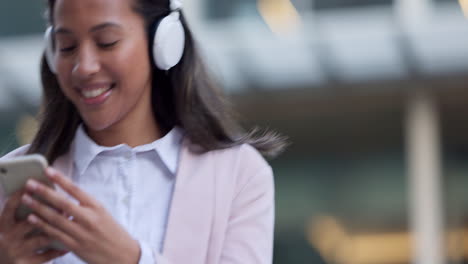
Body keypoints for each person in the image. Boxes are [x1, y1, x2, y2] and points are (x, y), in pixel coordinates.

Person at [0, 0, 287, 263]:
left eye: (106, 42)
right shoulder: (14, 186)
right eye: (67, 47)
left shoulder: (238, 174)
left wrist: (131, 258)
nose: (84, 67)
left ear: (164, 42)